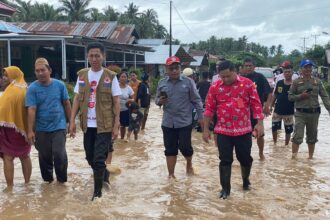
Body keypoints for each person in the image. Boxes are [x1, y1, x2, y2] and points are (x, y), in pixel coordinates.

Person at [202, 60, 264, 199]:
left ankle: (245, 181)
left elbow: (256, 105)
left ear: (235, 71)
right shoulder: (215, 87)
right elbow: (209, 109)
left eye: (228, 76)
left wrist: (259, 123)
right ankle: (225, 189)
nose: (225, 79)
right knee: (225, 160)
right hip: (223, 130)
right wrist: (206, 129)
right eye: (222, 77)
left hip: (244, 130)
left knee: (245, 159)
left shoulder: (248, 84)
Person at [69, 42, 121, 200]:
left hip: (104, 125)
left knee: (98, 159)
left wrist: (116, 123)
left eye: (97, 55)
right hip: (87, 124)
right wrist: (72, 121)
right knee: (90, 157)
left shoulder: (110, 76)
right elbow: (77, 99)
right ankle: (104, 175)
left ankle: (97, 194)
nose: (94, 58)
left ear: (103, 56)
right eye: (91, 55)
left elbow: (116, 101)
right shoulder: (82, 75)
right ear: (87, 57)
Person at [156, 56, 203, 179]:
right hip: (167, 122)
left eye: (176, 68)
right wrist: (160, 101)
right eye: (171, 68)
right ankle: (171, 175)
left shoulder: (188, 82)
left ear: (180, 68)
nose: (174, 71)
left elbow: (197, 101)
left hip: (184, 122)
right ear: (167, 69)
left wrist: (201, 117)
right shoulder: (162, 83)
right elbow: (156, 100)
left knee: (185, 147)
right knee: (170, 149)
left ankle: (189, 163)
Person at [26, 58, 71, 184]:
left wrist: (71, 122)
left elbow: (66, 104)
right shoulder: (32, 88)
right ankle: (48, 184)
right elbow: (31, 109)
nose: (40, 73)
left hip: (59, 125)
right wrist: (30, 131)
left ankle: (62, 183)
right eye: (37, 71)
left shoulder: (59, 85)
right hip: (41, 128)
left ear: (49, 70)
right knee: (44, 157)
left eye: (43, 70)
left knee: (59, 153)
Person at [288, 59, 330, 159]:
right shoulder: (296, 82)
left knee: (312, 137)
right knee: (298, 136)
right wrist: (301, 96)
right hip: (300, 113)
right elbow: (290, 97)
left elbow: (324, 96)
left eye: (310, 67)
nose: (308, 69)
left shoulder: (318, 82)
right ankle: (293, 159)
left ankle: (310, 159)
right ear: (301, 69)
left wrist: (329, 108)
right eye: (305, 67)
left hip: (314, 113)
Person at [0, 66, 32, 190]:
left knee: (8, 157)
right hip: (22, 128)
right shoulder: (23, 88)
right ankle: (27, 185)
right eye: (3, 75)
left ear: (14, 76)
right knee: (25, 156)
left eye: (6, 75)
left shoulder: (15, 89)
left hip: (14, 129)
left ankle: (9, 188)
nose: (3, 78)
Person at [241, 57, 272, 160]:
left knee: (260, 134)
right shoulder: (239, 78)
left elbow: (269, 93)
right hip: (242, 112)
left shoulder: (260, 77)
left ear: (254, 67)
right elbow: (235, 95)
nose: (248, 67)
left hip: (257, 111)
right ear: (243, 67)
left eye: (250, 66)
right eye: (246, 66)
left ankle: (261, 154)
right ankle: (246, 155)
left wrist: (267, 105)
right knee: (243, 135)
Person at [270, 61, 295, 146]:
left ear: (292, 73)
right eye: (285, 72)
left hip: (289, 111)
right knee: (274, 128)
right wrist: (271, 105)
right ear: (283, 73)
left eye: (289, 72)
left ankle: (286, 145)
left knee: (288, 130)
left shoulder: (295, 85)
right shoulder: (280, 82)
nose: (287, 73)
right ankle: (274, 144)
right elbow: (275, 94)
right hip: (277, 110)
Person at [118, 71, 135, 140]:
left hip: (125, 110)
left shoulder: (129, 88)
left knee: (123, 126)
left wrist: (130, 100)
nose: (123, 78)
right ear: (119, 78)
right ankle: (113, 139)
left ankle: (121, 139)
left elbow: (133, 99)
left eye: (125, 77)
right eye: (122, 76)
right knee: (114, 125)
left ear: (127, 78)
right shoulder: (115, 87)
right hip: (115, 110)